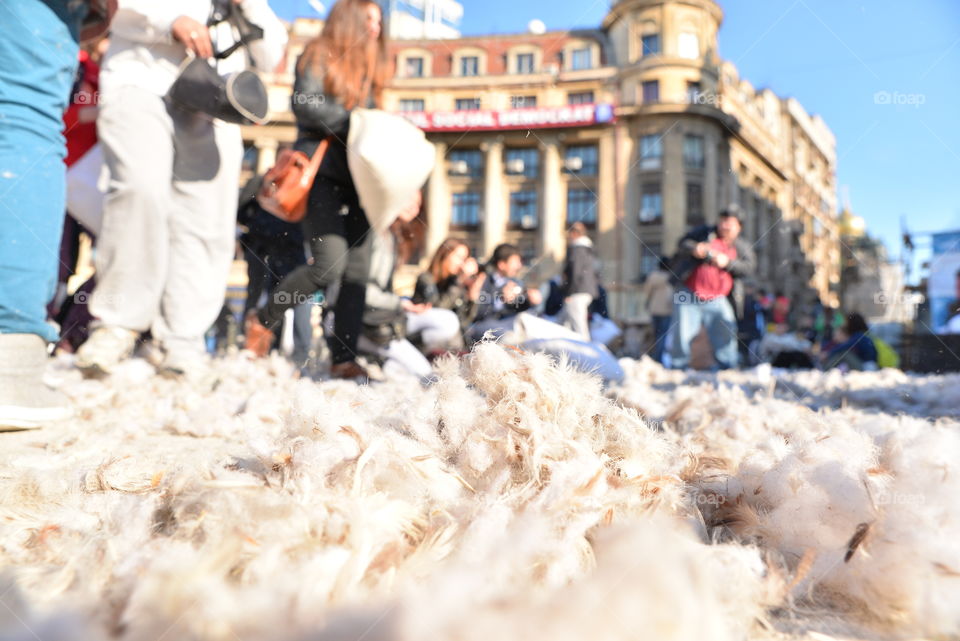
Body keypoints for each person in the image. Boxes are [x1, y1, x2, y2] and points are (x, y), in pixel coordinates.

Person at [74, 0, 287, 379]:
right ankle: (117, 324)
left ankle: (183, 337)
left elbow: (271, 56)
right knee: (139, 192)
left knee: (207, 218)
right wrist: (170, 20)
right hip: (140, 79)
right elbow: (107, 8)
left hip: (213, 96)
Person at [245, 0, 416, 380]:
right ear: (350, 17)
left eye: (379, 20)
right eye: (369, 18)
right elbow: (305, 106)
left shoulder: (371, 71)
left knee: (358, 273)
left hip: (360, 181)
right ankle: (262, 318)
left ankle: (343, 357)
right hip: (322, 172)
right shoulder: (319, 52)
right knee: (328, 265)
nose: (376, 26)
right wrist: (356, 120)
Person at [0, 1, 102, 429]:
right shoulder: (84, 63)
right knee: (23, 104)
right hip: (58, 180)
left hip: (78, 184)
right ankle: (10, 349)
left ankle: (62, 330)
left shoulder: (96, 72)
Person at [357, 218, 447, 380]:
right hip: (368, 325)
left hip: (385, 321)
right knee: (426, 375)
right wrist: (401, 303)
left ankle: (390, 362)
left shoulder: (392, 238)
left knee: (447, 321)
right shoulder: (379, 237)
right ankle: (379, 360)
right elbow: (365, 292)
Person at [668, 207, 756, 370]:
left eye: (729, 224)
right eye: (722, 221)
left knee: (726, 331)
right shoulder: (703, 233)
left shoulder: (742, 246)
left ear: (739, 227)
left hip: (718, 297)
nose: (724, 226)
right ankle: (678, 367)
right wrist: (695, 249)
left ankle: (727, 366)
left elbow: (749, 268)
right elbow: (682, 244)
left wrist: (727, 263)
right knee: (682, 332)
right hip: (689, 293)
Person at [411, 238, 484, 348]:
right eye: (459, 258)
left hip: (453, 345)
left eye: (464, 259)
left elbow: (464, 322)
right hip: (425, 343)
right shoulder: (426, 279)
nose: (461, 264)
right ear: (445, 254)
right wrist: (459, 281)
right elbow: (438, 310)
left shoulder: (454, 283)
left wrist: (472, 298)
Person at [468, 243, 543, 343]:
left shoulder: (516, 282)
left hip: (508, 325)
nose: (519, 266)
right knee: (509, 336)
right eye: (515, 262)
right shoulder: (483, 280)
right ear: (502, 264)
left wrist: (530, 301)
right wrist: (500, 298)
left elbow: (520, 309)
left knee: (529, 323)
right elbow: (478, 313)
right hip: (484, 326)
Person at [559, 222, 599, 341]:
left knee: (578, 326)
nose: (569, 237)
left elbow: (575, 272)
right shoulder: (587, 249)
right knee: (567, 322)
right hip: (585, 290)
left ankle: (585, 352)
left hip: (577, 291)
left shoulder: (577, 249)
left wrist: (568, 293)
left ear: (574, 233)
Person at [642, 258, 674, 364]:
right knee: (663, 335)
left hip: (654, 309)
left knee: (656, 334)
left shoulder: (653, 276)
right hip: (667, 310)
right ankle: (659, 359)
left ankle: (655, 357)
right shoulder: (671, 277)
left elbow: (647, 291)